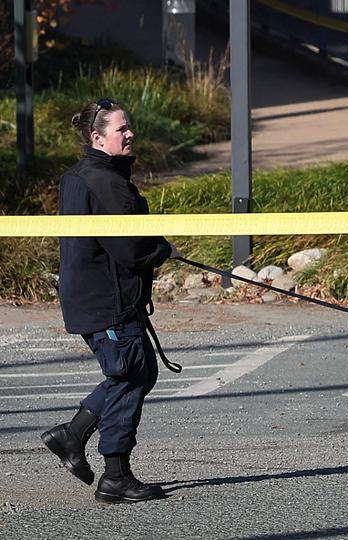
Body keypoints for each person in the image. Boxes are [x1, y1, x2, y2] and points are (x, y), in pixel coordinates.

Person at [41, 97, 182, 504]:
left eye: (128, 126)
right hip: (108, 301)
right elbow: (130, 247)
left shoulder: (86, 174)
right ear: (97, 137)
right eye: (122, 129)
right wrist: (161, 251)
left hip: (97, 298)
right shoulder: (104, 180)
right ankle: (108, 469)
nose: (130, 133)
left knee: (136, 373)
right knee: (131, 372)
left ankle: (78, 439)